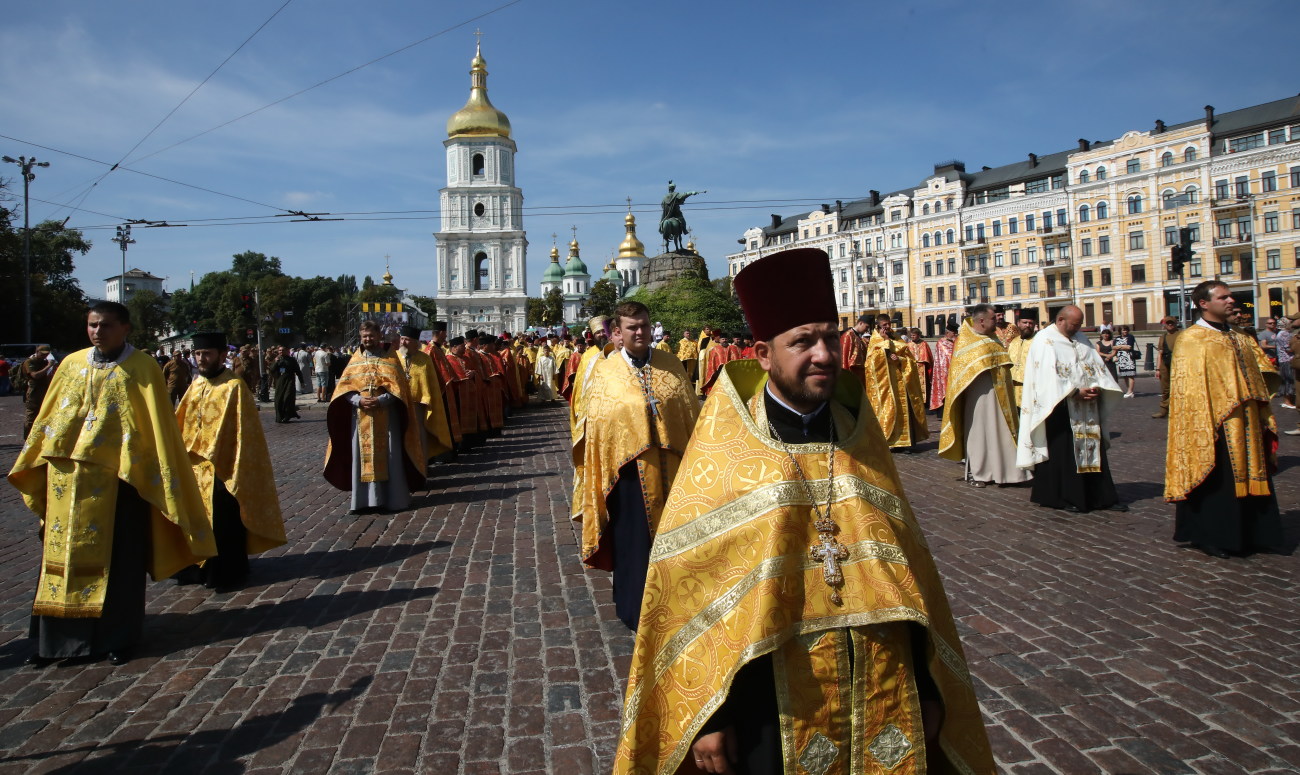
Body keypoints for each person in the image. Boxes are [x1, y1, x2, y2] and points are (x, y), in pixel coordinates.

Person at [614, 248, 993, 775]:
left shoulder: (862, 436)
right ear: (764, 354)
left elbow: (909, 579)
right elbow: (692, 598)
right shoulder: (727, 450)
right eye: (803, 342)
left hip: (883, 694)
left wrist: (929, 687)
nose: (823, 355)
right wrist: (707, 719)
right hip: (769, 709)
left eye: (830, 337)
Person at [10, 302, 216, 666]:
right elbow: (49, 417)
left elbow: (155, 428)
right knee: (59, 559)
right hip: (68, 483)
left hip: (119, 483)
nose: (97, 332)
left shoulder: (142, 368)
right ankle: (53, 641)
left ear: (125, 328)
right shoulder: (71, 365)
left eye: (105, 325)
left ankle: (118, 636)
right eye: (92, 325)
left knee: (119, 563)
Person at [573, 301, 697, 630]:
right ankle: (636, 608)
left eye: (644, 325)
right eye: (632, 327)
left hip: (675, 472)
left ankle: (679, 603)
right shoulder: (604, 371)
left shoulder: (671, 364)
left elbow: (690, 415)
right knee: (634, 544)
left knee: (677, 540)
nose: (640, 332)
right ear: (618, 332)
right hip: (627, 476)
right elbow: (597, 425)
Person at [1166, 281, 1283, 557]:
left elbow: (1260, 370)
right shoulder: (1191, 339)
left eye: (1231, 296)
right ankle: (1213, 535)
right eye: (1223, 297)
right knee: (1219, 478)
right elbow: (1188, 388)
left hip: (1248, 419)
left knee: (1253, 471)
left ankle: (1253, 532)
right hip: (1212, 421)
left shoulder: (1241, 336)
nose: (1231, 300)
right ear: (1204, 304)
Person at [175, 332, 287, 590]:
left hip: (223, 467)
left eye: (207, 354)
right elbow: (181, 422)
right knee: (194, 517)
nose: (202, 359)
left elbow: (245, 433)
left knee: (223, 519)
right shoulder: (196, 384)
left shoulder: (234, 386)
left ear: (222, 356)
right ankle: (196, 568)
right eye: (198, 354)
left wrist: (234, 465)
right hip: (194, 466)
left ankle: (226, 571)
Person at [1017, 305, 1125, 513]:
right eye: (1074, 325)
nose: (1077, 329)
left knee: (1095, 451)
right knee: (1064, 455)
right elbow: (1045, 378)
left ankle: (1100, 497)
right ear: (1060, 320)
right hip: (1060, 409)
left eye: (1079, 325)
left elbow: (1096, 365)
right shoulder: (1044, 340)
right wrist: (1074, 392)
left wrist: (1099, 387)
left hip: (1087, 409)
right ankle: (1067, 496)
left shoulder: (1081, 338)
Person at [324, 321, 426, 515]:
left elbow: (400, 389)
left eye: (371, 336)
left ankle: (391, 500)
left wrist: (381, 400)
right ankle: (363, 501)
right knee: (362, 458)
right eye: (364, 337)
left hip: (387, 418)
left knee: (390, 456)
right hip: (361, 416)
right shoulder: (355, 360)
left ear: (380, 336)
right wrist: (357, 401)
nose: (368, 339)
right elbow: (344, 388)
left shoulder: (391, 358)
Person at [939, 304, 1031, 488]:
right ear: (981, 320)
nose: (997, 320)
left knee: (1001, 432)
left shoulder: (993, 338)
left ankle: (1007, 472)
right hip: (978, 397)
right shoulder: (966, 340)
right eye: (992, 319)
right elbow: (960, 371)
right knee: (979, 433)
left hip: (1001, 395)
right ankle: (979, 471)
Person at [864, 315, 928, 451]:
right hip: (887, 385)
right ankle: (891, 441)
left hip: (901, 380)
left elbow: (909, 358)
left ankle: (905, 443)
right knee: (890, 411)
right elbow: (871, 363)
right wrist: (886, 344)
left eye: (888, 324)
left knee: (905, 411)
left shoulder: (896, 337)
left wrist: (899, 359)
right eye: (884, 325)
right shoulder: (875, 339)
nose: (887, 327)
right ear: (878, 326)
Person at [398, 326, 454, 464]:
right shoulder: (394, 357)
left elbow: (432, 383)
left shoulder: (425, 359)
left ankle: (421, 467)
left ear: (415, 342)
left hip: (419, 406)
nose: (403, 343)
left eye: (407, 340)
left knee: (419, 437)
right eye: (402, 339)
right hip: (399, 405)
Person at [22, 345, 56, 439]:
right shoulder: (30, 362)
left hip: (44, 390)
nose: (44, 356)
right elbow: (35, 375)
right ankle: (27, 438)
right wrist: (48, 366)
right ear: (37, 352)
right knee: (31, 417)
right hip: (33, 392)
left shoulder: (44, 362)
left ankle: (40, 437)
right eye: (42, 354)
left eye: (46, 354)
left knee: (44, 414)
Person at [1152, 317, 1181, 419]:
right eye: (1168, 323)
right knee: (1165, 388)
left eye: (1172, 323)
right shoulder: (1163, 337)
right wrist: (1158, 369)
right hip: (1165, 364)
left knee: (1179, 387)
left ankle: (1179, 410)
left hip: (1178, 363)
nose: (1170, 325)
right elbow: (1160, 353)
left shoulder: (1181, 335)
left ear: (1175, 324)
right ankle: (1163, 410)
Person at [1006, 313, 1036, 404]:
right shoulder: (1014, 342)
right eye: (1025, 322)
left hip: (1030, 387)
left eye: (1031, 323)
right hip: (1012, 386)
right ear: (1018, 323)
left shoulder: (1038, 341)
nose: (1028, 325)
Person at [928, 323, 958, 414]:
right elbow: (945, 357)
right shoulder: (941, 343)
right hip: (943, 371)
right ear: (948, 333)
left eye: (956, 333)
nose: (955, 335)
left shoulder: (956, 341)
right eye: (954, 333)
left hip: (955, 370)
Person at [270, 346, 302, 423]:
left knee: (287, 398)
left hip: (290, 380)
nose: (281, 351)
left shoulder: (292, 360)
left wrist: (302, 381)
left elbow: (297, 371)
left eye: (282, 350)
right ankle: (280, 417)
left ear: (287, 351)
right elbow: (272, 370)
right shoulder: (277, 359)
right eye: (279, 350)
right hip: (280, 381)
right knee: (279, 400)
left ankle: (287, 415)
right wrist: (276, 362)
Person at [840, 314, 871, 387]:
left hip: (858, 376)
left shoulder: (858, 337)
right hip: (850, 376)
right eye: (866, 327)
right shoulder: (848, 336)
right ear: (860, 323)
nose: (867, 330)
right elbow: (844, 357)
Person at [906, 327, 934, 405]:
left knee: (924, 385)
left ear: (918, 335)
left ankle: (925, 402)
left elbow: (929, 357)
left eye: (914, 335)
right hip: (912, 367)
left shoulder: (924, 344)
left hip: (922, 367)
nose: (912, 337)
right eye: (911, 335)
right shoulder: (908, 345)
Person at [1113, 325, 1137, 397]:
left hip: (1129, 358)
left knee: (1130, 375)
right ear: (1120, 331)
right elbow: (1113, 347)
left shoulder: (1130, 337)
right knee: (1125, 375)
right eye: (1123, 330)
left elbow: (1129, 347)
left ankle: (1130, 391)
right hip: (1121, 359)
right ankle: (1129, 390)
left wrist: (1119, 347)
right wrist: (1123, 346)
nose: (1125, 331)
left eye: (1126, 330)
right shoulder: (1117, 338)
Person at [1276, 316, 1295, 411]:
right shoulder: (1284, 334)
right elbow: (1288, 348)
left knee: (1286, 380)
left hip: (1283, 360)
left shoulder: (1280, 333)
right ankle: (1287, 401)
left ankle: (1286, 400)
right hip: (1287, 360)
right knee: (1289, 380)